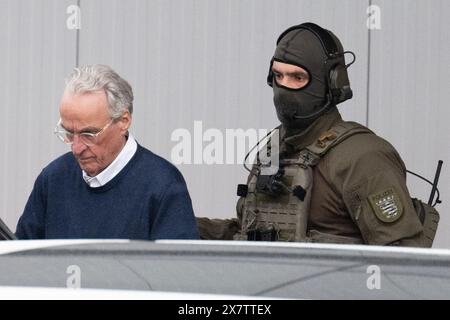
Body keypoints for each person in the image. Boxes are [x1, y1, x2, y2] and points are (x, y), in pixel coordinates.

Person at [198, 22, 439, 246]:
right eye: (278, 76)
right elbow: (246, 233)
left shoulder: (363, 158)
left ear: (331, 83)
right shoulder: (274, 148)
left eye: (297, 77)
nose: (283, 88)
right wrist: (178, 224)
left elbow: (400, 263)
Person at [16, 64, 199, 240]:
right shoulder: (53, 179)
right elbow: (19, 263)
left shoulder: (163, 185)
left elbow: (178, 269)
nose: (76, 148)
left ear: (123, 121)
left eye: (88, 134)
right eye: (69, 133)